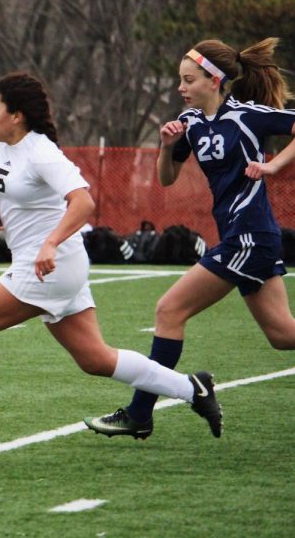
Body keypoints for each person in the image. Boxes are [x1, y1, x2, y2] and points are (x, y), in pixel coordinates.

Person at [0, 72, 222, 454]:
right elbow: (18, 193)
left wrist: (49, 243)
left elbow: (83, 202)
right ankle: (193, 389)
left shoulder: (41, 151)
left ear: (18, 115)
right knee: (95, 359)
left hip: (51, 263)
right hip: (53, 263)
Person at [86, 37, 295, 439]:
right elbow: (166, 179)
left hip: (250, 237)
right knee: (283, 335)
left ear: (213, 81)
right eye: (179, 80)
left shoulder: (247, 117)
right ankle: (140, 414)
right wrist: (165, 148)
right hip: (246, 237)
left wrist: (274, 167)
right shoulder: (190, 124)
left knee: (169, 311)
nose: (181, 88)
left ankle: (139, 414)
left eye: (188, 79)